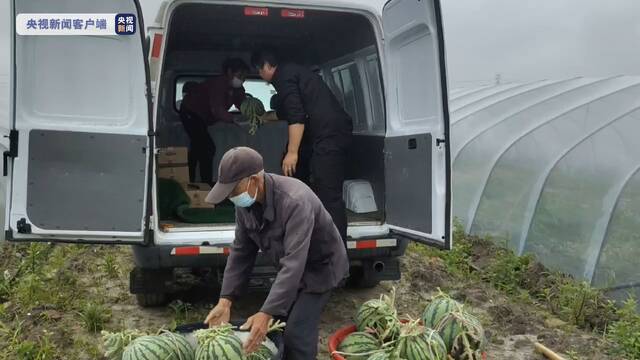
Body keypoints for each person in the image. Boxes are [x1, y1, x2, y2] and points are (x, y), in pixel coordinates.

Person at [203, 147, 349, 359]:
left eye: (234, 190)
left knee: (297, 332)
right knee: (280, 327)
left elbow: (294, 264)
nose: (231, 197)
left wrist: (266, 312)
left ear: (254, 180)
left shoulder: (295, 201)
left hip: (321, 268)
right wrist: (226, 299)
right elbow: (242, 251)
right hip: (293, 269)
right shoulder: (245, 203)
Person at [251, 49, 353, 242]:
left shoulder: (284, 77)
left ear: (266, 66)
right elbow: (289, 112)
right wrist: (264, 117)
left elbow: (296, 116)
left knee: (329, 194)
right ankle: (302, 223)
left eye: (259, 70)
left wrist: (292, 152)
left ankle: (337, 254)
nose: (260, 75)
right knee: (298, 173)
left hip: (330, 136)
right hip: (322, 134)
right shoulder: (291, 74)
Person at [179, 58, 249, 185]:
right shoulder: (219, 84)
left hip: (201, 118)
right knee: (207, 148)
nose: (242, 79)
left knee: (198, 148)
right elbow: (217, 109)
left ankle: (193, 184)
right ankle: (205, 184)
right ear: (229, 72)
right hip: (190, 112)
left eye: (244, 77)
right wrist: (232, 119)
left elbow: (242, 103)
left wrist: (254, 114)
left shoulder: (237, 89)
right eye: (240, 75)